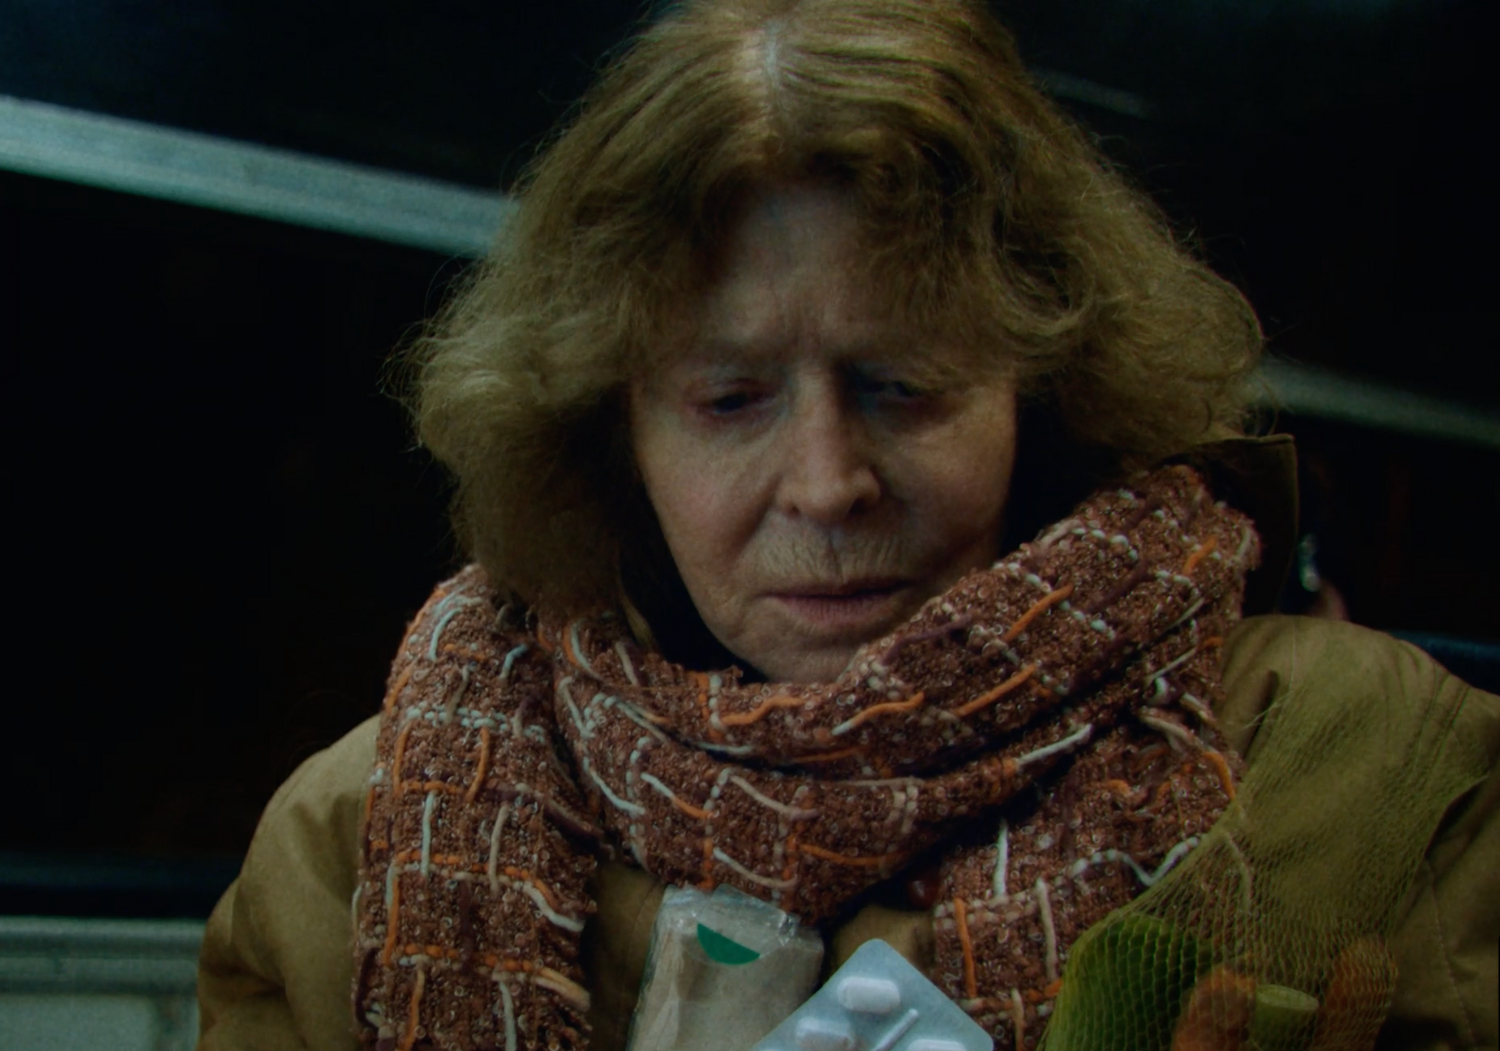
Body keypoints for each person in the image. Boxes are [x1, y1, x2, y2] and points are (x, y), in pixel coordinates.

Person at [194, 1, 1499, 1049]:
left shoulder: (1355, 770)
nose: (826, 485)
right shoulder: (354, 837)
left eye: (905, 385)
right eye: (729, 400)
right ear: (611, 433)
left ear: (1041, 387)